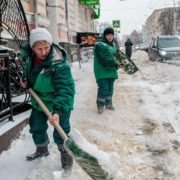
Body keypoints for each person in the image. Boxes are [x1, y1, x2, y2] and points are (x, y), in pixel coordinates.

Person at [20, 27, 75, 171]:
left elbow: (65, 88)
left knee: (61, 129)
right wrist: (25, 81)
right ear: (33, 48)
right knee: (36, 126)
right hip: (40, 99)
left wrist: (57, 111)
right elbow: (29, 75)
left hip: (59, 100)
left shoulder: (59, 63)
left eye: (46, 48)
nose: (43, 52)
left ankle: (66, 156)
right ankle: (42, 149)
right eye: (39, 49)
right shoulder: (29, 58)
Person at [93, 27, 119, 114]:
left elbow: (116, 56)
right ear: (105, 35)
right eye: (108, 35)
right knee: (104, 88)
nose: (110, 37)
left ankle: (108, 104)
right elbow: (104, 58)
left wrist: (121, 62)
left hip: (111, 70)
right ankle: (100, 105)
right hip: (101, 70)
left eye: (112, 35)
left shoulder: (113, 45)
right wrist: (116, 63)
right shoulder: (100, 45)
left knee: (110, 88)